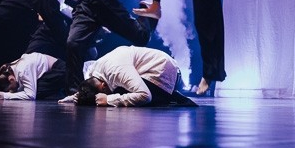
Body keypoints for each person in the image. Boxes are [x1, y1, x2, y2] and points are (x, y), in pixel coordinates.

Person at [69, 45, 198, 107]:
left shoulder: (117, 71)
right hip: (149, 69)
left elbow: (145, 96)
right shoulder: (92, 72)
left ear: (103, 86)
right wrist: (79, 97)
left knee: (125, 94)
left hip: (165, 72)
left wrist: (108, 99)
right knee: (120, 90)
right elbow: (88, 86)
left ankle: (171, 97)